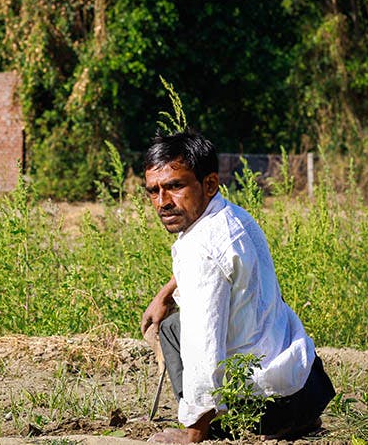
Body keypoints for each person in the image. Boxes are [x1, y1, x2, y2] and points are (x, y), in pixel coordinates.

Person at [140, 131, 335, 443]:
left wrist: (192, 434)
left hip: (262, 409)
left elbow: (203, 346)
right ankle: (298, 422)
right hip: (307, 388)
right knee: (174, 323)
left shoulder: (201, 248)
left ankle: (208, 424)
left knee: (180, 329)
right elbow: (219, 261)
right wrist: (167, 292)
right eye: (154, 191)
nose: (163, 202)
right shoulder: (231, 216)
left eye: (175, 186)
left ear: (209, 184)